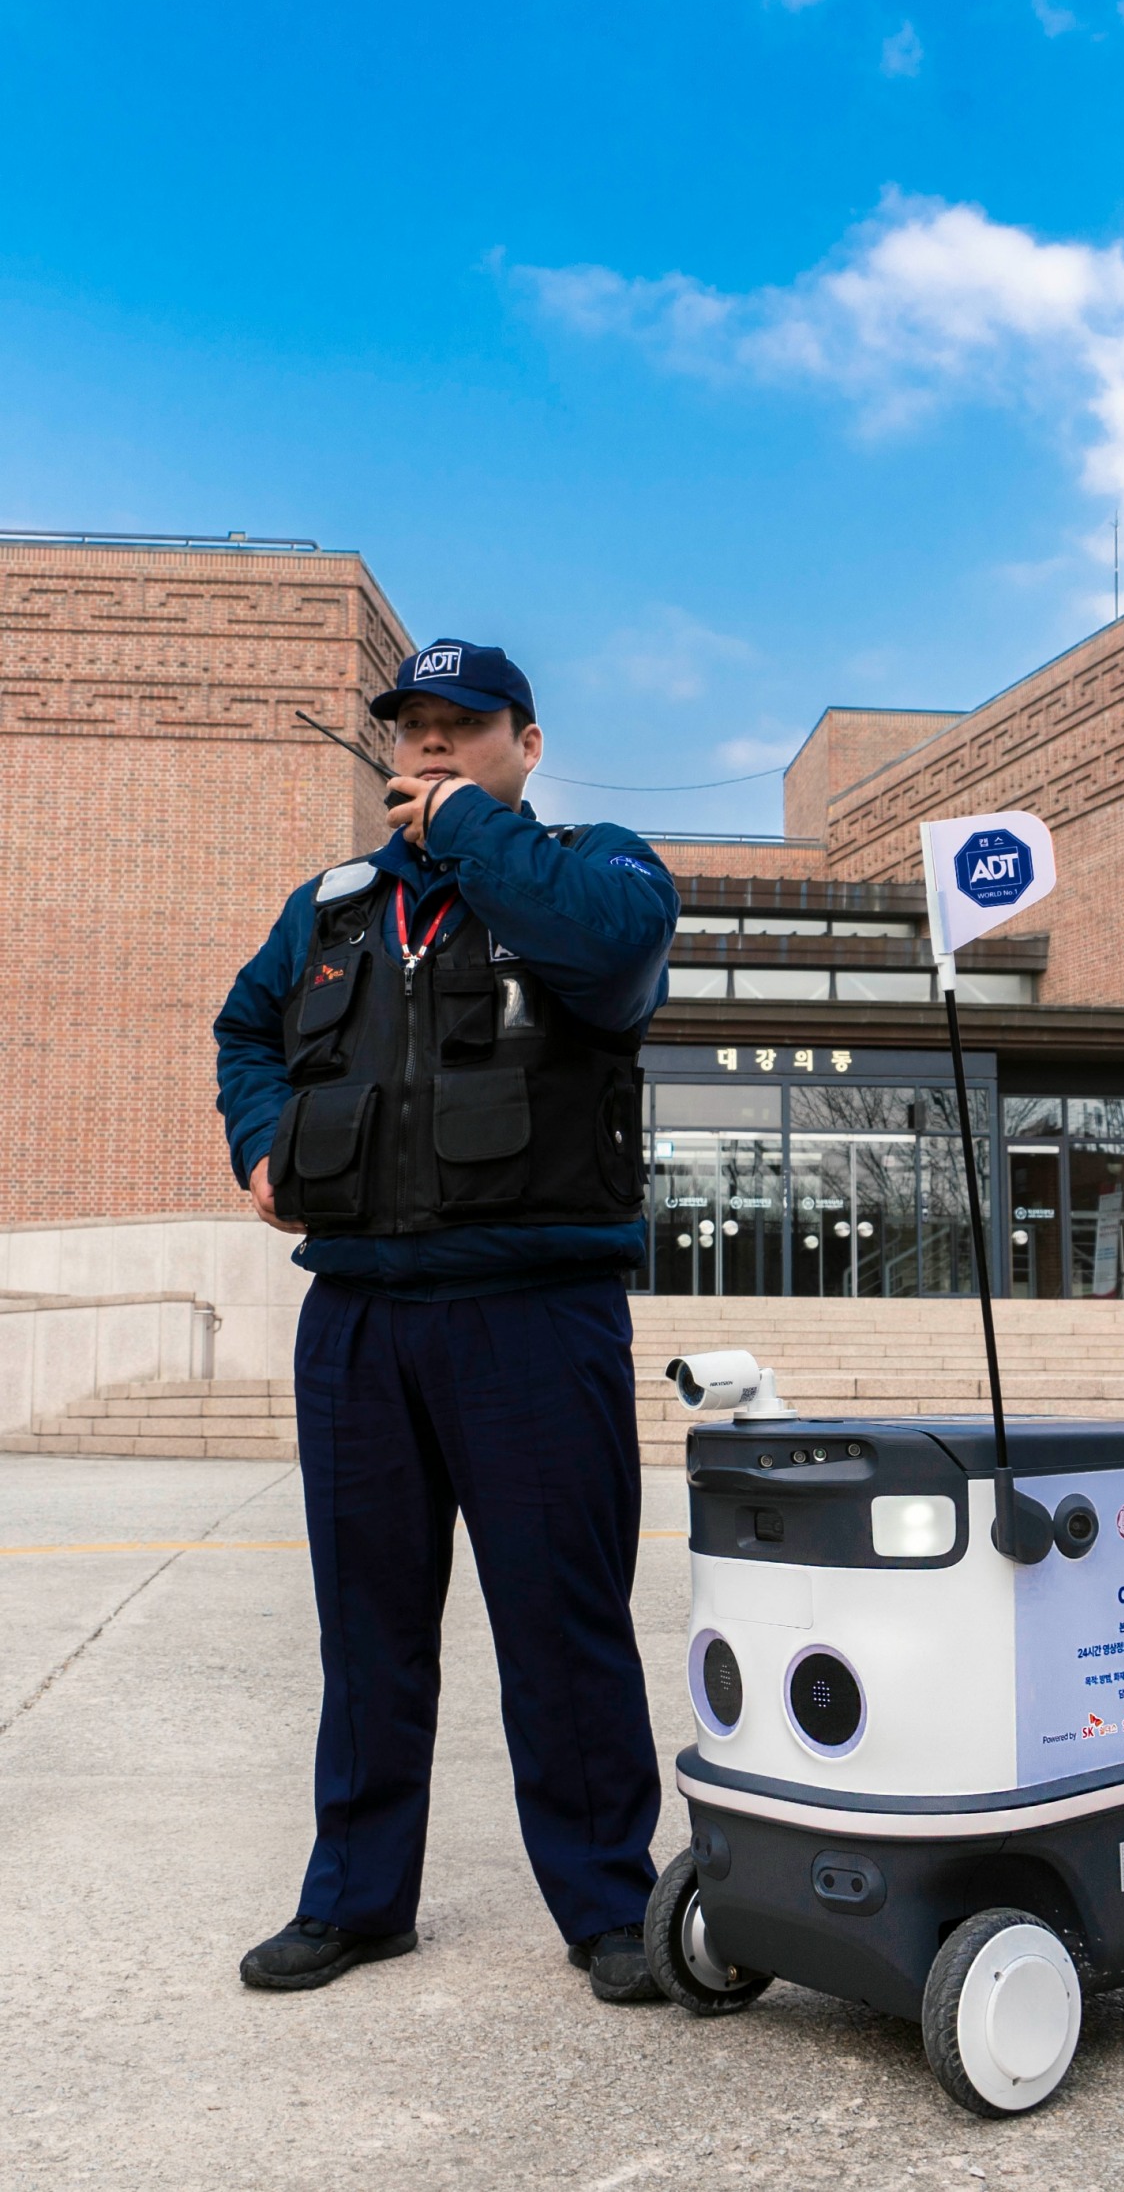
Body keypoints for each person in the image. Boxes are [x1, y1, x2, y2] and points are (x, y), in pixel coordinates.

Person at [214, 639, 678, 2003]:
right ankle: (358, 1900)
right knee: (364, 1632)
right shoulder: (334, 908)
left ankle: (607, 1906)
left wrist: (472, 830)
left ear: (525, 743)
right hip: (359, 1318)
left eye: (459, 728)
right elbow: (245, 1027)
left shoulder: (596, 868)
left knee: (563, 1619)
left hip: (533, 1314)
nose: (425, 746)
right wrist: (261, 1145)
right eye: (411, 726)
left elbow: (612, 953)